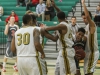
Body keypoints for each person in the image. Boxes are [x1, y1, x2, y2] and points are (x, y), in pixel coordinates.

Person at [44, 0, 77, 75]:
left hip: (66, 51)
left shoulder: (62, 25)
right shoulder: (67, 22)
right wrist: (55, 6)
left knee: (67, 72)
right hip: (62, 51)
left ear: (58, 18)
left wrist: (45, 28)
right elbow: (55, 39)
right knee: (57, 71)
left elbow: (53, 27)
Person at [81, 0, 99, 75]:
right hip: (87, 53)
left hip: (93, 52)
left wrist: (83, 3)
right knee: (86, 72)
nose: (84, 19)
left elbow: (88, 16)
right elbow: (86, 39)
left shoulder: (92, 24)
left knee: (89, 72)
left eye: (85, 18)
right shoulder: (86, 28)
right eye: (83, 18)